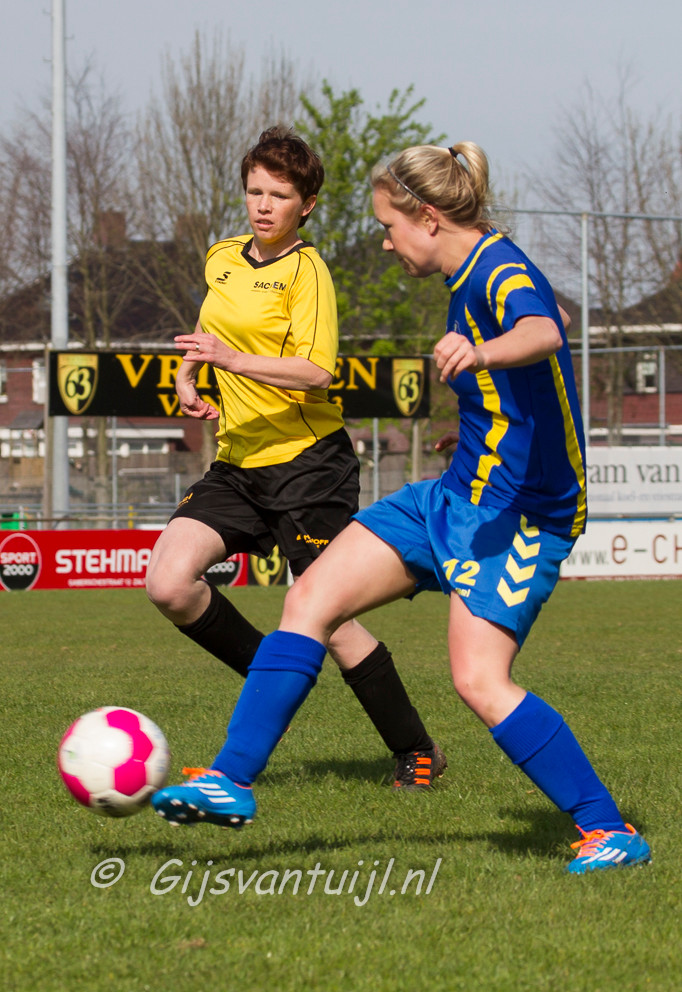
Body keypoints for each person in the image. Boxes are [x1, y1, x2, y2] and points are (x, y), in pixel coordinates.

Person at [151, 139, 651, 874]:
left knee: (479, 682)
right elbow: (547, 329)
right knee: (310, 600)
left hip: (518, 515)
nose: (385, 242)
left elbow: (546, 330)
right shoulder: (467, 273)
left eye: (389, 226)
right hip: (450, 495)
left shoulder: (500, 269)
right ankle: (230, 779)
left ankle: (608, 830)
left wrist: (483, 353)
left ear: (427, 217)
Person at [145, 126, 446, 791]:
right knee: (168, 582)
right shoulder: (222, 257)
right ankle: (274, 678)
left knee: (329, 619)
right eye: (255, 191)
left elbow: (316, 372)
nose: (263, 205)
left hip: (309, 467)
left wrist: (230, 360)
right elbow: (211, 330)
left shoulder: (309, 273)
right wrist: (190, 376)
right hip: (237, 462)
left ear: (305, 205)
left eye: (279, 195)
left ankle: (416, 749)